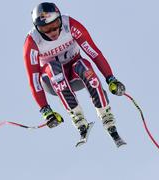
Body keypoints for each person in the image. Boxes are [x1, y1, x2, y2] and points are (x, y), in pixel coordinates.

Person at [23, 2, 126, 147]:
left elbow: (94, 53)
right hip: (52, 81)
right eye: (45, 29)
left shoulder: (70, 25)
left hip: (75, 73)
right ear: (37, 28)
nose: (52, 32)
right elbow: (34, 80)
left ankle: (106, 116)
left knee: (84, 65)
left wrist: (111, 79)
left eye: (54, 25)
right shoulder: (32, 42)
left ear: (60, 18)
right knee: (53, 68)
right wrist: (46, 110)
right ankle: (78, 118)